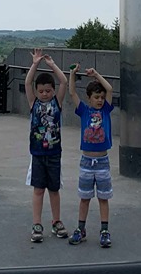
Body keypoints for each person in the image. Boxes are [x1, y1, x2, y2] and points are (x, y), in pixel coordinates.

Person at [67, 63, 114, 248]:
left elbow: (110, 88)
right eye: (96, 97)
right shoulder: (84, 111)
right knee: (85, 197)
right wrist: (72, 74)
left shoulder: (106, 111)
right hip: (86, 161)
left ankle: (104, 230)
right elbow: (72, 92)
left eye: (101, 97)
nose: (100, 100)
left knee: (103, 197)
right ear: (89, 98)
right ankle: (81, 229)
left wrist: (96, 74)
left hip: (102, 161)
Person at [25, 48, 69, 243]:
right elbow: (27, 82)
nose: (44, 94)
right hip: (37, 153)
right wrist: (35, 64)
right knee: (38, 189)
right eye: (41, 91)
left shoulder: (57, 103)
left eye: (48, 91)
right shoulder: (33, 103)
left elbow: (64, 82)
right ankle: (37, 223)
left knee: (54, 189)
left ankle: (56, 221)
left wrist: (52, 65)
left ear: (53, 91)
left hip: (54, 153)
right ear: (36, 91)